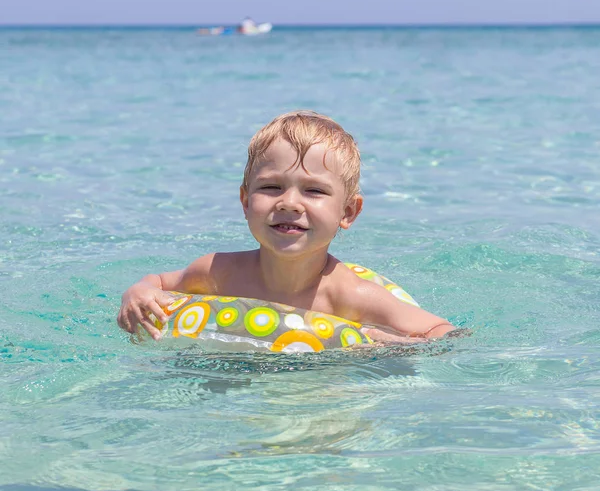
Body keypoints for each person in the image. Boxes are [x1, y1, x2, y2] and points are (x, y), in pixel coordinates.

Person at [117, 111, 457, 344]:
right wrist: (138, 292)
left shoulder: (351, 296)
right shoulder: (217, 272)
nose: (289, 203)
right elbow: (159, 282)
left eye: (314, 191)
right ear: (245, 200)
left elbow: (444, 332)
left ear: (348, 212)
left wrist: (392, 346)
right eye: (271, 187)